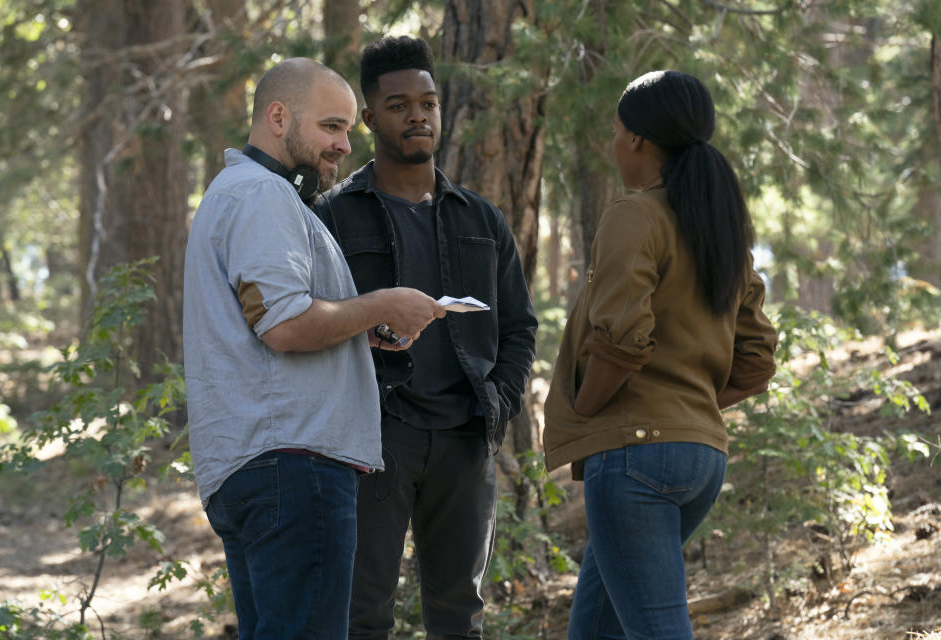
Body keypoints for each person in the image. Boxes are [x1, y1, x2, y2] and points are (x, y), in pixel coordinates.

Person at [182, 57, 445, 640]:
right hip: (293, 464)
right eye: (331, 127)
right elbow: (284, 326)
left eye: (349, 130)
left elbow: (268, 317)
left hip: (260, 463)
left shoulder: (239, 193)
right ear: (278, 117)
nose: (345, 145)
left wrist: (362, 330)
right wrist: (383, 304)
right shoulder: (261, 196)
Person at [315, 36, 537, 640]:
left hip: (465, 438)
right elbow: (309, 321)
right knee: (361, 614)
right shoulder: (333, 216)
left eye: (429, 102)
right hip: (373, 437)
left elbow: (519, 327)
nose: (418, 115)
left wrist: (499, 401)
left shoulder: (480, 219)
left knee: (459, 614)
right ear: (369, 118)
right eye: (399, 104)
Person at [543, 70, 778, 640]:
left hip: (635, 459)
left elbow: (623, 339)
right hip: (701, 458)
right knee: (595, 631)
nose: (613, 144)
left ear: (640, 141)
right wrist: (687, 410)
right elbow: (757, 360)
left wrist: (592, 409)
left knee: (658, 630)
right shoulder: (717, 229)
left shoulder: (636, 215)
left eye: (617, 132)